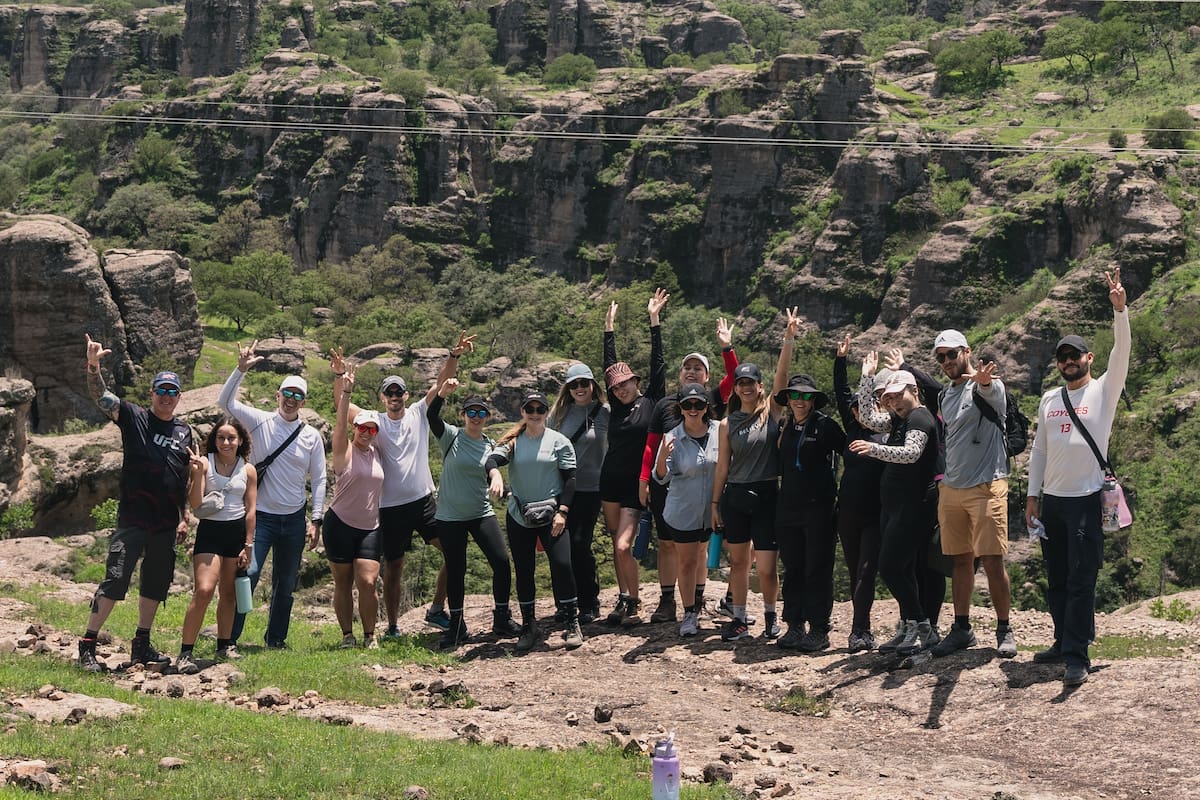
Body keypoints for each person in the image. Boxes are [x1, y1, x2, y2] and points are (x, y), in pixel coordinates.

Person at [1025, 268, 1129, 687]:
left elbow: (1121, 353)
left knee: (1083, 579)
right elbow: (1040, 450)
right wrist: (1033, 497)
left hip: (1087, 499)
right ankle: (1062, 639)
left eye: (1076, 355)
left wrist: (1120, 312)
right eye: (1062, 357)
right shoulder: (1050, 399)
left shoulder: (1104, 391)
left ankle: (1076, 655)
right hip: (1054, 501)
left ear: (1088, 358)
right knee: (1059, 578)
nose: (1069, 361)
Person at [330, 336, 472, 639]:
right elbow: (340, 406)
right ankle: (393, 627)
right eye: (389, 392)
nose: (394, 396)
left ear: (406, 394)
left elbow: (441, 382)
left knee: (454, 551)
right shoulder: (374, 423)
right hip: (389, 508)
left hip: (422, 501)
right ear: (383, 397)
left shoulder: (419, 412)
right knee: (393, 568)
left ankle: (436, 608)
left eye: (399, 392)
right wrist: (341, 377)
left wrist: (454, 355)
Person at [78, 335, 192, 672]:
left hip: (166, 524)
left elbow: (183, 476)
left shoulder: (185, 432)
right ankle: (87, 645)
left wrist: (184, 516)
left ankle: (141, 644)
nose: (166, 397)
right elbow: (100, 396)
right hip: (133, 519)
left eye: (172, 392)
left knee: (155, 584)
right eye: (161, 391)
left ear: (179, 397)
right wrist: (93, 365)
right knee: (115, 580)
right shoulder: (133, 416)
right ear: (152, 393)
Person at [219, 342, 327, 650]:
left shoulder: (311, 436)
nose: (291, 400)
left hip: (294, 519)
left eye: (298, 396)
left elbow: (319, 478)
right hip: (260, 517)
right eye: (287, 394)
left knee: (285, 585)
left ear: (303, 401)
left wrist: (316, 518)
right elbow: (225, 402)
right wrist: (240, 370)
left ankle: (276, 639)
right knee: (248, 575)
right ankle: (230, 638)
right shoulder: (259, 421)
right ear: (278, 395)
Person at [637, 318, 738, 624]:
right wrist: (644, 479)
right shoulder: (666, 405)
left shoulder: (712, 402)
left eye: (698, 368)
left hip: (703, 484)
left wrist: (726, 347)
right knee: (668, 544)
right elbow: (652, 445)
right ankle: (668, 601)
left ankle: (696, 600)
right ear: (680, 374)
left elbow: (736, 376)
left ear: (707, 377)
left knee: (701, 546)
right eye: (687, 367)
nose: (692, 371)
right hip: (665, 481)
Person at [929, 328, 1017, 658]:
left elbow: (992, 391)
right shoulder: (944, 395)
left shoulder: (989, 386)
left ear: (967, 351)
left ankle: (1005, 628)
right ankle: (962, 628)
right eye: (941, 357)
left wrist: (982, 381)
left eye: (953, 354)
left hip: (986, 484)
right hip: (952, 487)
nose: (948, 361)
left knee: (993, 560)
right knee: (960, 561)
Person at [850, 365, 943, 656]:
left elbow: (911, 453)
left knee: (890, 567)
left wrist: (873, 449)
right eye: (888, 399)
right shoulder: (899, 417)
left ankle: (922, 626)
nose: (892, 403)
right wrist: (866, 379)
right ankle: (910, 627)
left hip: (914, 505)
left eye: (897, 396)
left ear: (913, 390)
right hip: (894, 504)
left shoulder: (919, 417)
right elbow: (866, 417)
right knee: (900, 569)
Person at [711, 312, 790, 643]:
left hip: (767, 495)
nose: (745, 387)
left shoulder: (771, 411)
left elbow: (783, 380)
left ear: (759, 387)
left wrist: (788, 338)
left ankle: (772, 617)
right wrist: (715, 504)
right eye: (740, 383)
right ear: (737, 388)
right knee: (739, 563)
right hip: (737, 497)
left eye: (750, 383)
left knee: (768, 567)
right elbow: (722, 467)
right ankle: (740, 618)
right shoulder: (729, 424)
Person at [426, 380, 521, 648]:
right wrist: (443, 393)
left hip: (481, 513)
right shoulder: (451, 436)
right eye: (471, 412)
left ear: (488, 417)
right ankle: (456, 626)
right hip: (450, 516)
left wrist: (508, 490)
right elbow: (431, 416)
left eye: (481, 413)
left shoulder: (491, 444)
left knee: (501, 562)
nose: (476, 418)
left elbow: (494, 478)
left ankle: (501, 617)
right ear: (463, 415)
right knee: (456, 570)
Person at [487, 392, 581, 651]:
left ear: (546, 412)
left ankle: (571, 620)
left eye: (540, 408)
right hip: (520, 515)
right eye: (531, 408)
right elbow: (493, 459)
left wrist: (563, 511)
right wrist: (495, 473)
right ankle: (529, 625)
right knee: (524, 570)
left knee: (562, 565)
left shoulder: (559, 441)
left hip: (553, 515)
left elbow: (571, 479)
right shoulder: (514, 442)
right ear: (523, 412)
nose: (535, 412)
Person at [773, 322, 845, 651]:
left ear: (813, 400)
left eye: (805, 397)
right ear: (787, 399)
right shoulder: (785, 427)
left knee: (817, 568)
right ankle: (794, 625)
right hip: (788, 508)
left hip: (819, 507)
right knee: (794, 567)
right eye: (794, 396)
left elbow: (850, 453)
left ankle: (819, 629)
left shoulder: (826, 426)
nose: (799, 401)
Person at [600, 288, 669, 626]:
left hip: (635, 485)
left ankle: (636, 601)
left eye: (625, 383)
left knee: (625, 545)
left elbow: (659, 363)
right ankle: (624, 597)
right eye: (616, 387)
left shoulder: (652, 401)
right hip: (609, 481)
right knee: (616, 544)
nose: (621, 388)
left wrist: (653, 320)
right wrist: (608, 328)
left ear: (635, 381)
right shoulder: (616, 409)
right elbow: (607, 366)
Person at [176, 418, 258, 673]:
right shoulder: (205, 463)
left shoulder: (248, 470)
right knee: (204, 590)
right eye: (221, 438)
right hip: (210, 532)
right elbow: (195, 502)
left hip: (236, 535)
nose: (226, 442)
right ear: (214, 440)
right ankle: (185, 652)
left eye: (231, 438)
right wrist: (198, 472)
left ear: (240, 440)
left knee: (230, 594)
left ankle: (225, 645)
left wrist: (249, 545)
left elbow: (251, 509)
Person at [323, 363, 386, 649]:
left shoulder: (379, 454)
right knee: (343, 583)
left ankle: (370, 636)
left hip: (370, 527)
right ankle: (347, 635)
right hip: (339, 525)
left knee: (369, 582)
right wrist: (345, 390)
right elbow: (339, 422)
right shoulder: (344, 450)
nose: (367, 432)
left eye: (372, 429)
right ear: (355, 428)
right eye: (362, 427)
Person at [652, 384, 721, 637]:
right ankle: (689, 612)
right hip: (683, 510)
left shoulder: (719, 431)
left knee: (701, 553)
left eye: (698, 405)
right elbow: (661, 478)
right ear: (680, 408)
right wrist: (661, 461)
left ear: (706, 407)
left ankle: (698, 602)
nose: (693, 410)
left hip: (710, 509)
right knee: (688, 560)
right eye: (688, 405)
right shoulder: (671, 436)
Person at [832, 334, 886, 651]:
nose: (856, 411)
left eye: (862, 406)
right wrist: (841, 360)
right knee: (856, 571)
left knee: (867, 570)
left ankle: (858, 631)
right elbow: (841, 393)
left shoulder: (887, 432)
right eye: (853, 408)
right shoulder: (851, 430)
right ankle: (862, 628)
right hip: (848, 513)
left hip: (876, 513)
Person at [547, 363, 610, 624]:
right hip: (559, 490)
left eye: (584, 383)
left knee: (580, 545)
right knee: (559, 548)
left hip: (590, 489)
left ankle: (588, 602)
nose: (580, 389)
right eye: (574, 385)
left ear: (593, 385)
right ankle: (564, 604)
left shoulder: (605, 412)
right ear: (568, 389)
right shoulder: (558, 415)